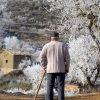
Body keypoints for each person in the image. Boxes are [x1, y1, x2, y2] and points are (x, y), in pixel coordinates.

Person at [39, 32, 70, 100]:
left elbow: (41, 58)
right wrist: (67, 68)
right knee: (60, 88)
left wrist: (45, 67)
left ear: (51, 38)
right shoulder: (63, 45)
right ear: (58, 37)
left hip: (50, 69)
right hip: (61, 69)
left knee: (49, 87)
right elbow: (67, 58)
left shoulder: (46, 46)